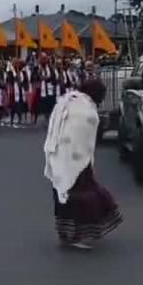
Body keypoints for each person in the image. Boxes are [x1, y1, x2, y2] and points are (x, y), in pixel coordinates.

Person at [43, 79, 122, 250]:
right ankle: (80, 234)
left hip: (59, 157)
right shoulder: (86, 110)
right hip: (76, 160)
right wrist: (85, 162)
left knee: (63, 194)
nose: (101, 101)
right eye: (101, 96)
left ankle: (65, 233)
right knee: (84, 196)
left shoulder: (66, 100)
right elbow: (84, 138)